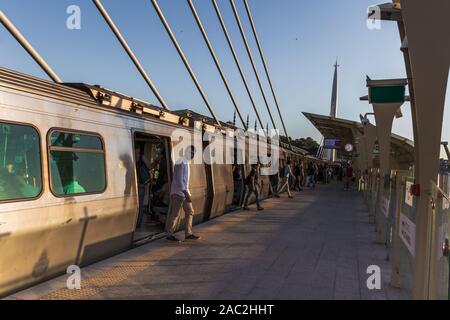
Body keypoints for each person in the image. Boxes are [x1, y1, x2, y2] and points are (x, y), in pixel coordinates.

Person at [165, 145, 200, 242]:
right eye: (191, 152)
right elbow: (180, 180)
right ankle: (169, 234)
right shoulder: (181, 162)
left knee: (190, 211)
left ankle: (188, 233)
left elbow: (184, 181)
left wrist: (186, 193)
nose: (192, 155)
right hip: (178, 193)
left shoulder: (186, 162)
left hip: (184, 193)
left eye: (194, 154)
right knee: (175, 214)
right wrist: (186, 193)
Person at [136, 145, 151, 228]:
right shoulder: (142, 157)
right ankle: (138, 223)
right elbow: (149, 166)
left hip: (132, 185)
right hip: (141, 184)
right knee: (140, 205)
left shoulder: (130, 156)